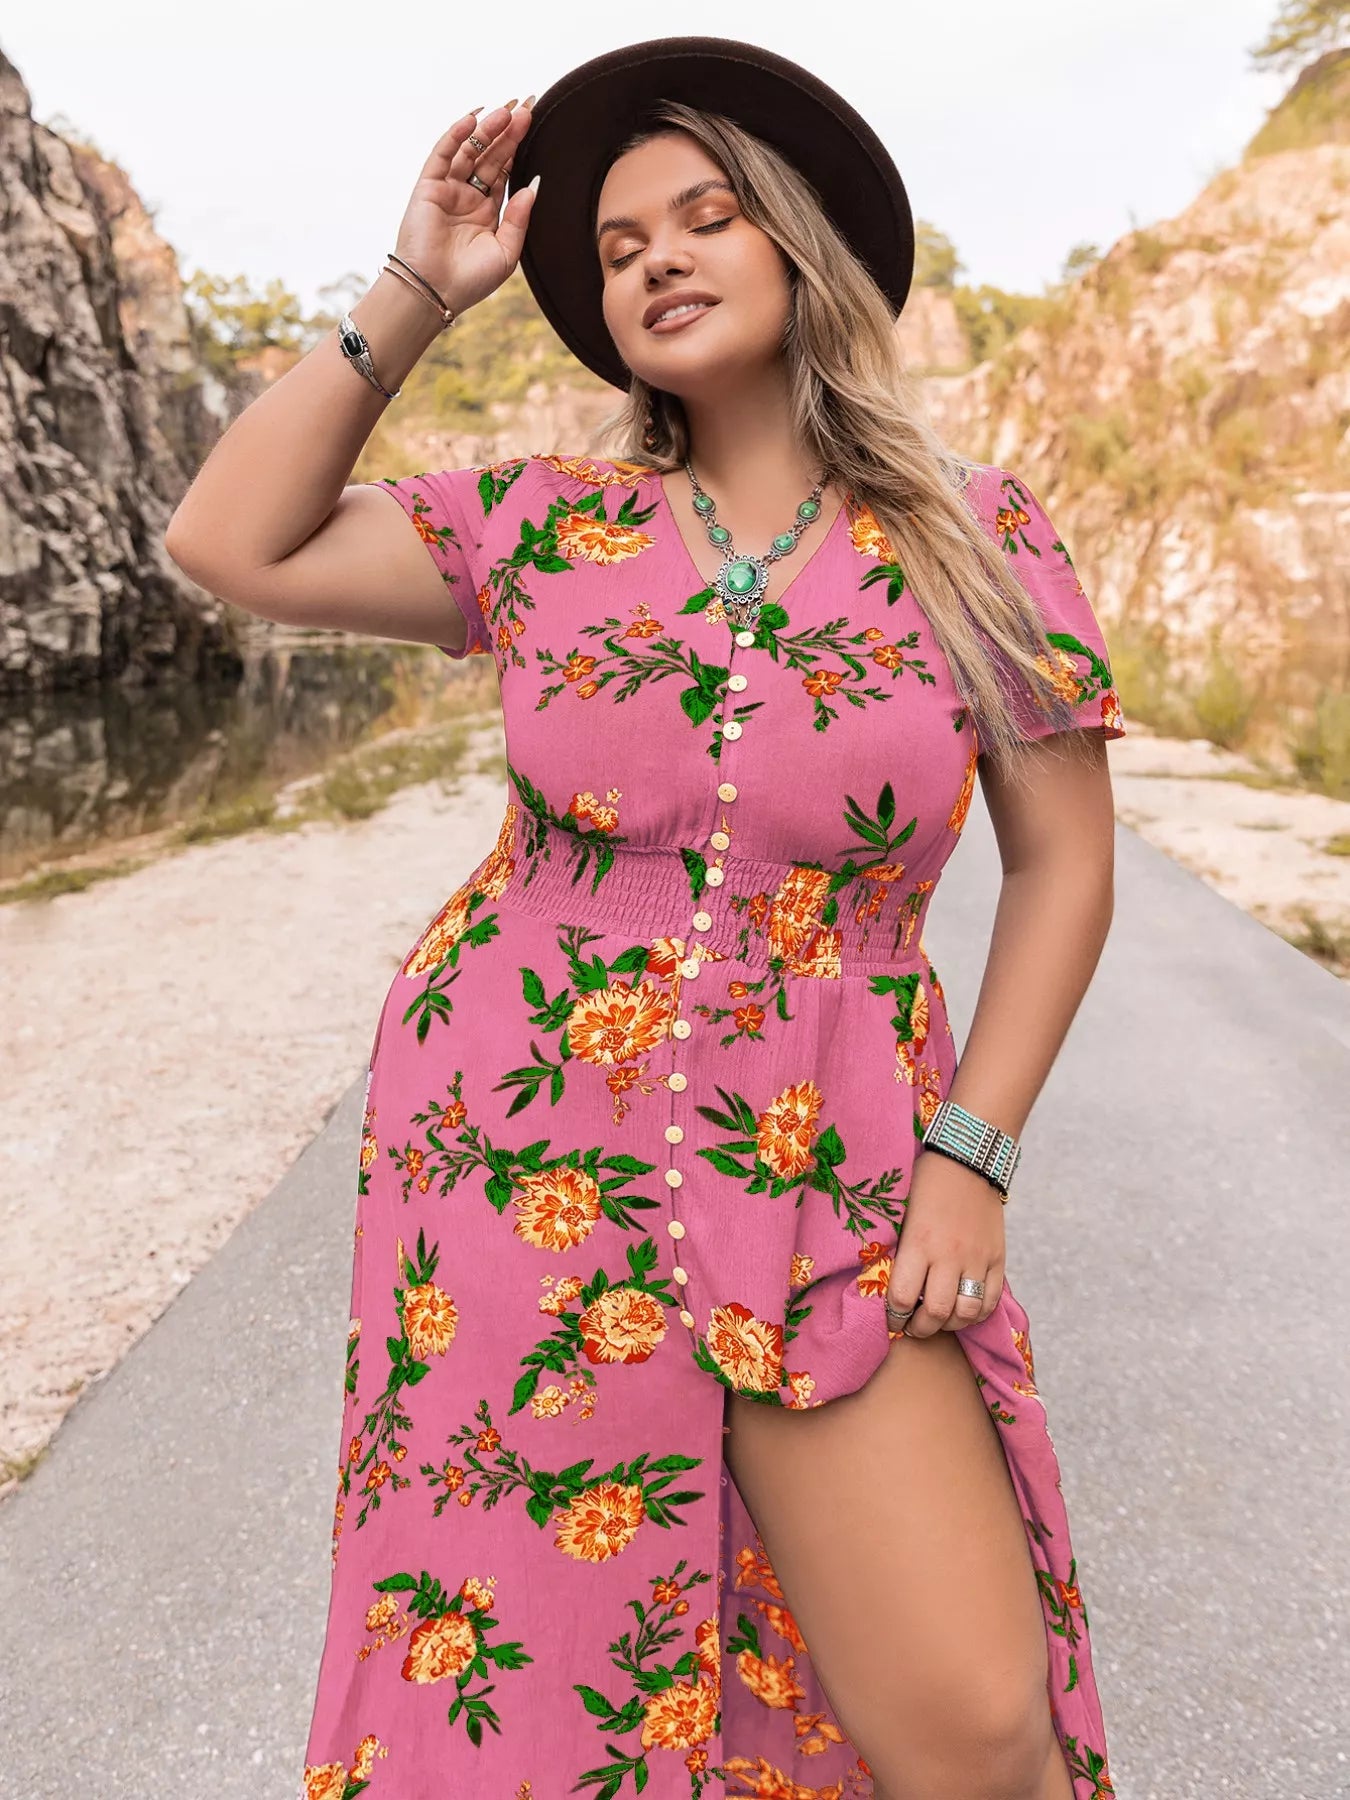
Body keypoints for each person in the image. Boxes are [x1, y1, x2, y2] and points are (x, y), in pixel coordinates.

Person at [165, 36, 1124, 1800]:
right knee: (542, 1688)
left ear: (799, 244)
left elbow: (1064, 864)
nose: (657, 260)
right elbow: (230, 540)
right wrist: (414, 290)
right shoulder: (542, 528)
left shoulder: (972, 536)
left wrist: (972, 1155)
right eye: (617, 249)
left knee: (973, 1721)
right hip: (517, 1161)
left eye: (704, 217)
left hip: (833, 1148)